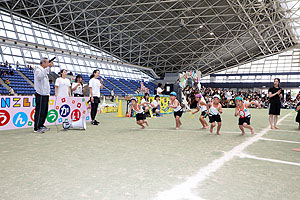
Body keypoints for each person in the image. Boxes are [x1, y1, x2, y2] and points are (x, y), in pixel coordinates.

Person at [33, 57, 54, 133]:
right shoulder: (37, 69)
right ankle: (37, 127)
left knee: (44, 110)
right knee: (39, 110)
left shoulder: (44, 70)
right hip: (40, 93)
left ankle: (41, 124)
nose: (48, 64)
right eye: (47, 63)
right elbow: (39, 77)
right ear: (43, 63)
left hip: (45, 93)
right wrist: (48, 68)